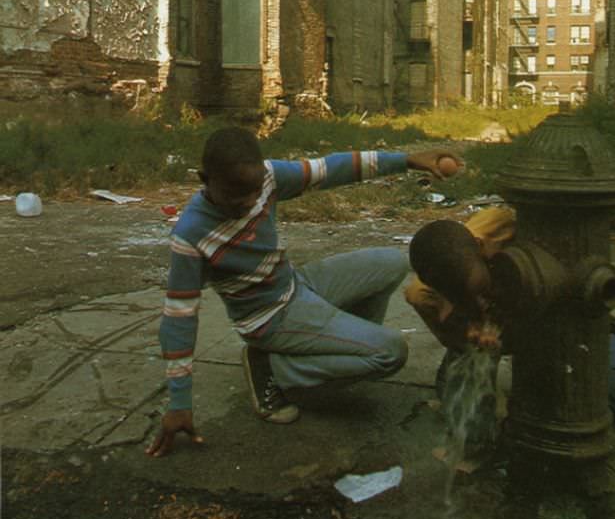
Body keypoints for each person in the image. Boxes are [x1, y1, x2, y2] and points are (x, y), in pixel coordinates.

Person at [146, 126, 464, 457]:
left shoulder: (267, 177)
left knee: (392, 262)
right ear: (204, 179)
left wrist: (409, 160)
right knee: (390, 352)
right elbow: (179, 319)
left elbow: (332, 168)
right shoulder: (191, 235)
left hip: (297, 285)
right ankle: (274, 371)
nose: (249, 202)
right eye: (234, 195)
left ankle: (327, 349)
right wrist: (179, 402)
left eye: (255, 192)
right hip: (269, 319)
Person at [405, 207, 615, 455]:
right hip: (505, 323)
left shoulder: (506, 226)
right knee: (469, 430)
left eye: (481, 289)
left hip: (564, 316)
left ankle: (611, 336)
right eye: (465, 297)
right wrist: (466, 332)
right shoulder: (436, 280)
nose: (480, 301)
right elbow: (430, 303)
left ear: (482, 248)